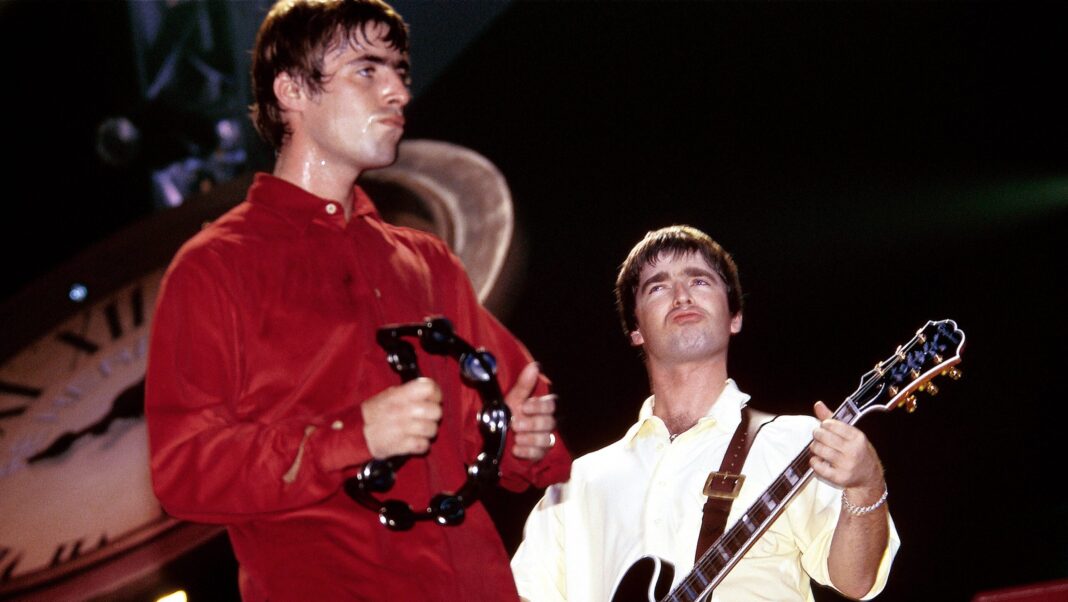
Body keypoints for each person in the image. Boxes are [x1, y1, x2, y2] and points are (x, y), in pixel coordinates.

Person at [144, 1, 571, 599]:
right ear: (291, 90)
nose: (398, 91)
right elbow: (184, 470)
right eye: (368, 71)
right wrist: (353, 436)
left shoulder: (427, 263)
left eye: (400, 71)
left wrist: (523, 440)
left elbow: (516, 407)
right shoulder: (215, 267)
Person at [510, 225, 899, 601]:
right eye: (658, 286)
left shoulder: (800, 442)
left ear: (735, 318)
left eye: (699, 281)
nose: (681, 296)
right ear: (635, 330)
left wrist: (866, 485)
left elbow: (856, 580)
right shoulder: (575, 483)